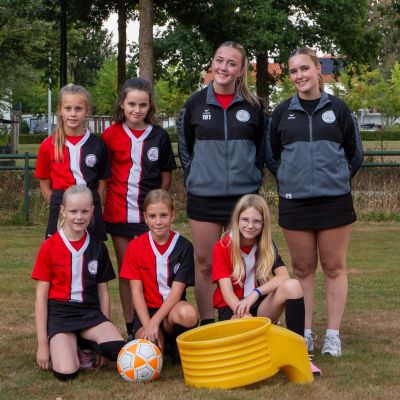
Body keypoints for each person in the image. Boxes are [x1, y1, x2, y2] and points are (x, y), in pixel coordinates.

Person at [265, 47, 363, 357]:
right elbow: (272, 156)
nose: (299, 75)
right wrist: (291, 181)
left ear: (318, 69)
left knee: (334, 268)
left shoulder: (339, 109)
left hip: (335, 202)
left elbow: (355, 154)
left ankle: (333, 336)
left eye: (304, 68)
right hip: (295, 203)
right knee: (303, 269)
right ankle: (304, 333)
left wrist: (335, 180)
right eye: (293, 71)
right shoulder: (282, 112)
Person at [178, 41, 266, 325]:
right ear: (212, 63)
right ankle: (207, 324)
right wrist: (195, 174)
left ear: (241, 70)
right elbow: (185, 147)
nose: (223, 67)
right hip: (204, 196)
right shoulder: (195, 103)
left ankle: (238, 322)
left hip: (242, 199)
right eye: (219, 60)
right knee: (205, 264)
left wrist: (251, 175)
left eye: (231, 63)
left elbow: (262, 150)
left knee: (239, 263)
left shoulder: (254, 106)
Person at [212, 194, 321, 376]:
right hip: (233, 311)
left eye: (256, 221)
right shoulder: (222, 246)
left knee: (293, 286)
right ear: (237, 219)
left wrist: (256, 293)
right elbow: (227, 293)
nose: (250, 226)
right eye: (245, 220)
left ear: (264, 224)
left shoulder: (266, 244)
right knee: (249, 337)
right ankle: (265, 350)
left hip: (260, 307)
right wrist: (244, 313)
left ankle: (299, 354)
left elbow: (283, 276)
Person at [102, 78, 177, 338]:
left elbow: (166, 176)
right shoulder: (110, 135)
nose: (137, 110)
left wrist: (157, 206)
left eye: (142, 105)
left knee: (153, 271)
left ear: (150, 106)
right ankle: (132, 326)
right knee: (128, 272)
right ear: (122, 104)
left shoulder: (159, 136)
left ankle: (158, 324)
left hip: (149, 217)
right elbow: (103, 176)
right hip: (118, 213)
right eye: (132, 104)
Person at [32, 185, 125, 381]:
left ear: (92, 211)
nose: (79, 217)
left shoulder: (98, 247)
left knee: (116, 350)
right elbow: (40, 298)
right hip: (61, 315)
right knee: (66, 372)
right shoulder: (49, 246)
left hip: (90, 313)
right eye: (73, 211)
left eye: (84, 211)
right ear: (63, 211)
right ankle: (66, 344)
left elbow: (103, 294)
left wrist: (104, 329)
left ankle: (85, 344)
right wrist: (42, 344)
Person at [120, 189, 198, 360]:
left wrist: (156, 322)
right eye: (152, 216)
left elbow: (176, 293)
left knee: (189, 314)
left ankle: (175, 343)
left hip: (172, 311)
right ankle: (159, 343)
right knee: (151, 356)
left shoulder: (184, 247)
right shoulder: (135, 247)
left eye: (163, 215)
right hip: (146, 313)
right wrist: (148, 325)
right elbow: (136, 292)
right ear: (145, 217)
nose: (158, 221)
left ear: (172, 215)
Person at [35, 84, 109, 240]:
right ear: (60, 111)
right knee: (59, 252)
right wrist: (60, 207)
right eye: (68, 108)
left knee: (92, 251)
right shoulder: (48, 145)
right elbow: (44, 184)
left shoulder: (98, 145)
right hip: (61, 206)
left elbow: (102, 182)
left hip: (89, 206)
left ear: (87, 111)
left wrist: (92, 204)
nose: (73, 114)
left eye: (78, 109)